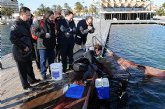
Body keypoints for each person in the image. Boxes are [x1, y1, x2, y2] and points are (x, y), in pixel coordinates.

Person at [10, 7, 40, 90]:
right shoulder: (16, 24)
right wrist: (24, 47)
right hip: (19, 51)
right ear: (22, 14)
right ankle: (25, 85)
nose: (29, 16)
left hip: (28, 50)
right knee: (22, 69)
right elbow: (12, 39)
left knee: (29, 66)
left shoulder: (26, 22)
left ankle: (32, 80)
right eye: (28, 15)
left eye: (29, 15)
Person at [32, 11, 56, 80]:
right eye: (51, 16)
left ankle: (52, 72)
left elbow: (53, 34)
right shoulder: (40, 22)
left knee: (52, 60)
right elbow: (34, 32)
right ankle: (43, 74)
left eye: (53, 16)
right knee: (43, 60)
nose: (53, 17)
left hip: (51, 45)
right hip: (42, 45)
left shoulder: (52, 23)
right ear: (48, 16)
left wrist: (54, 43)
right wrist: (43, 35)